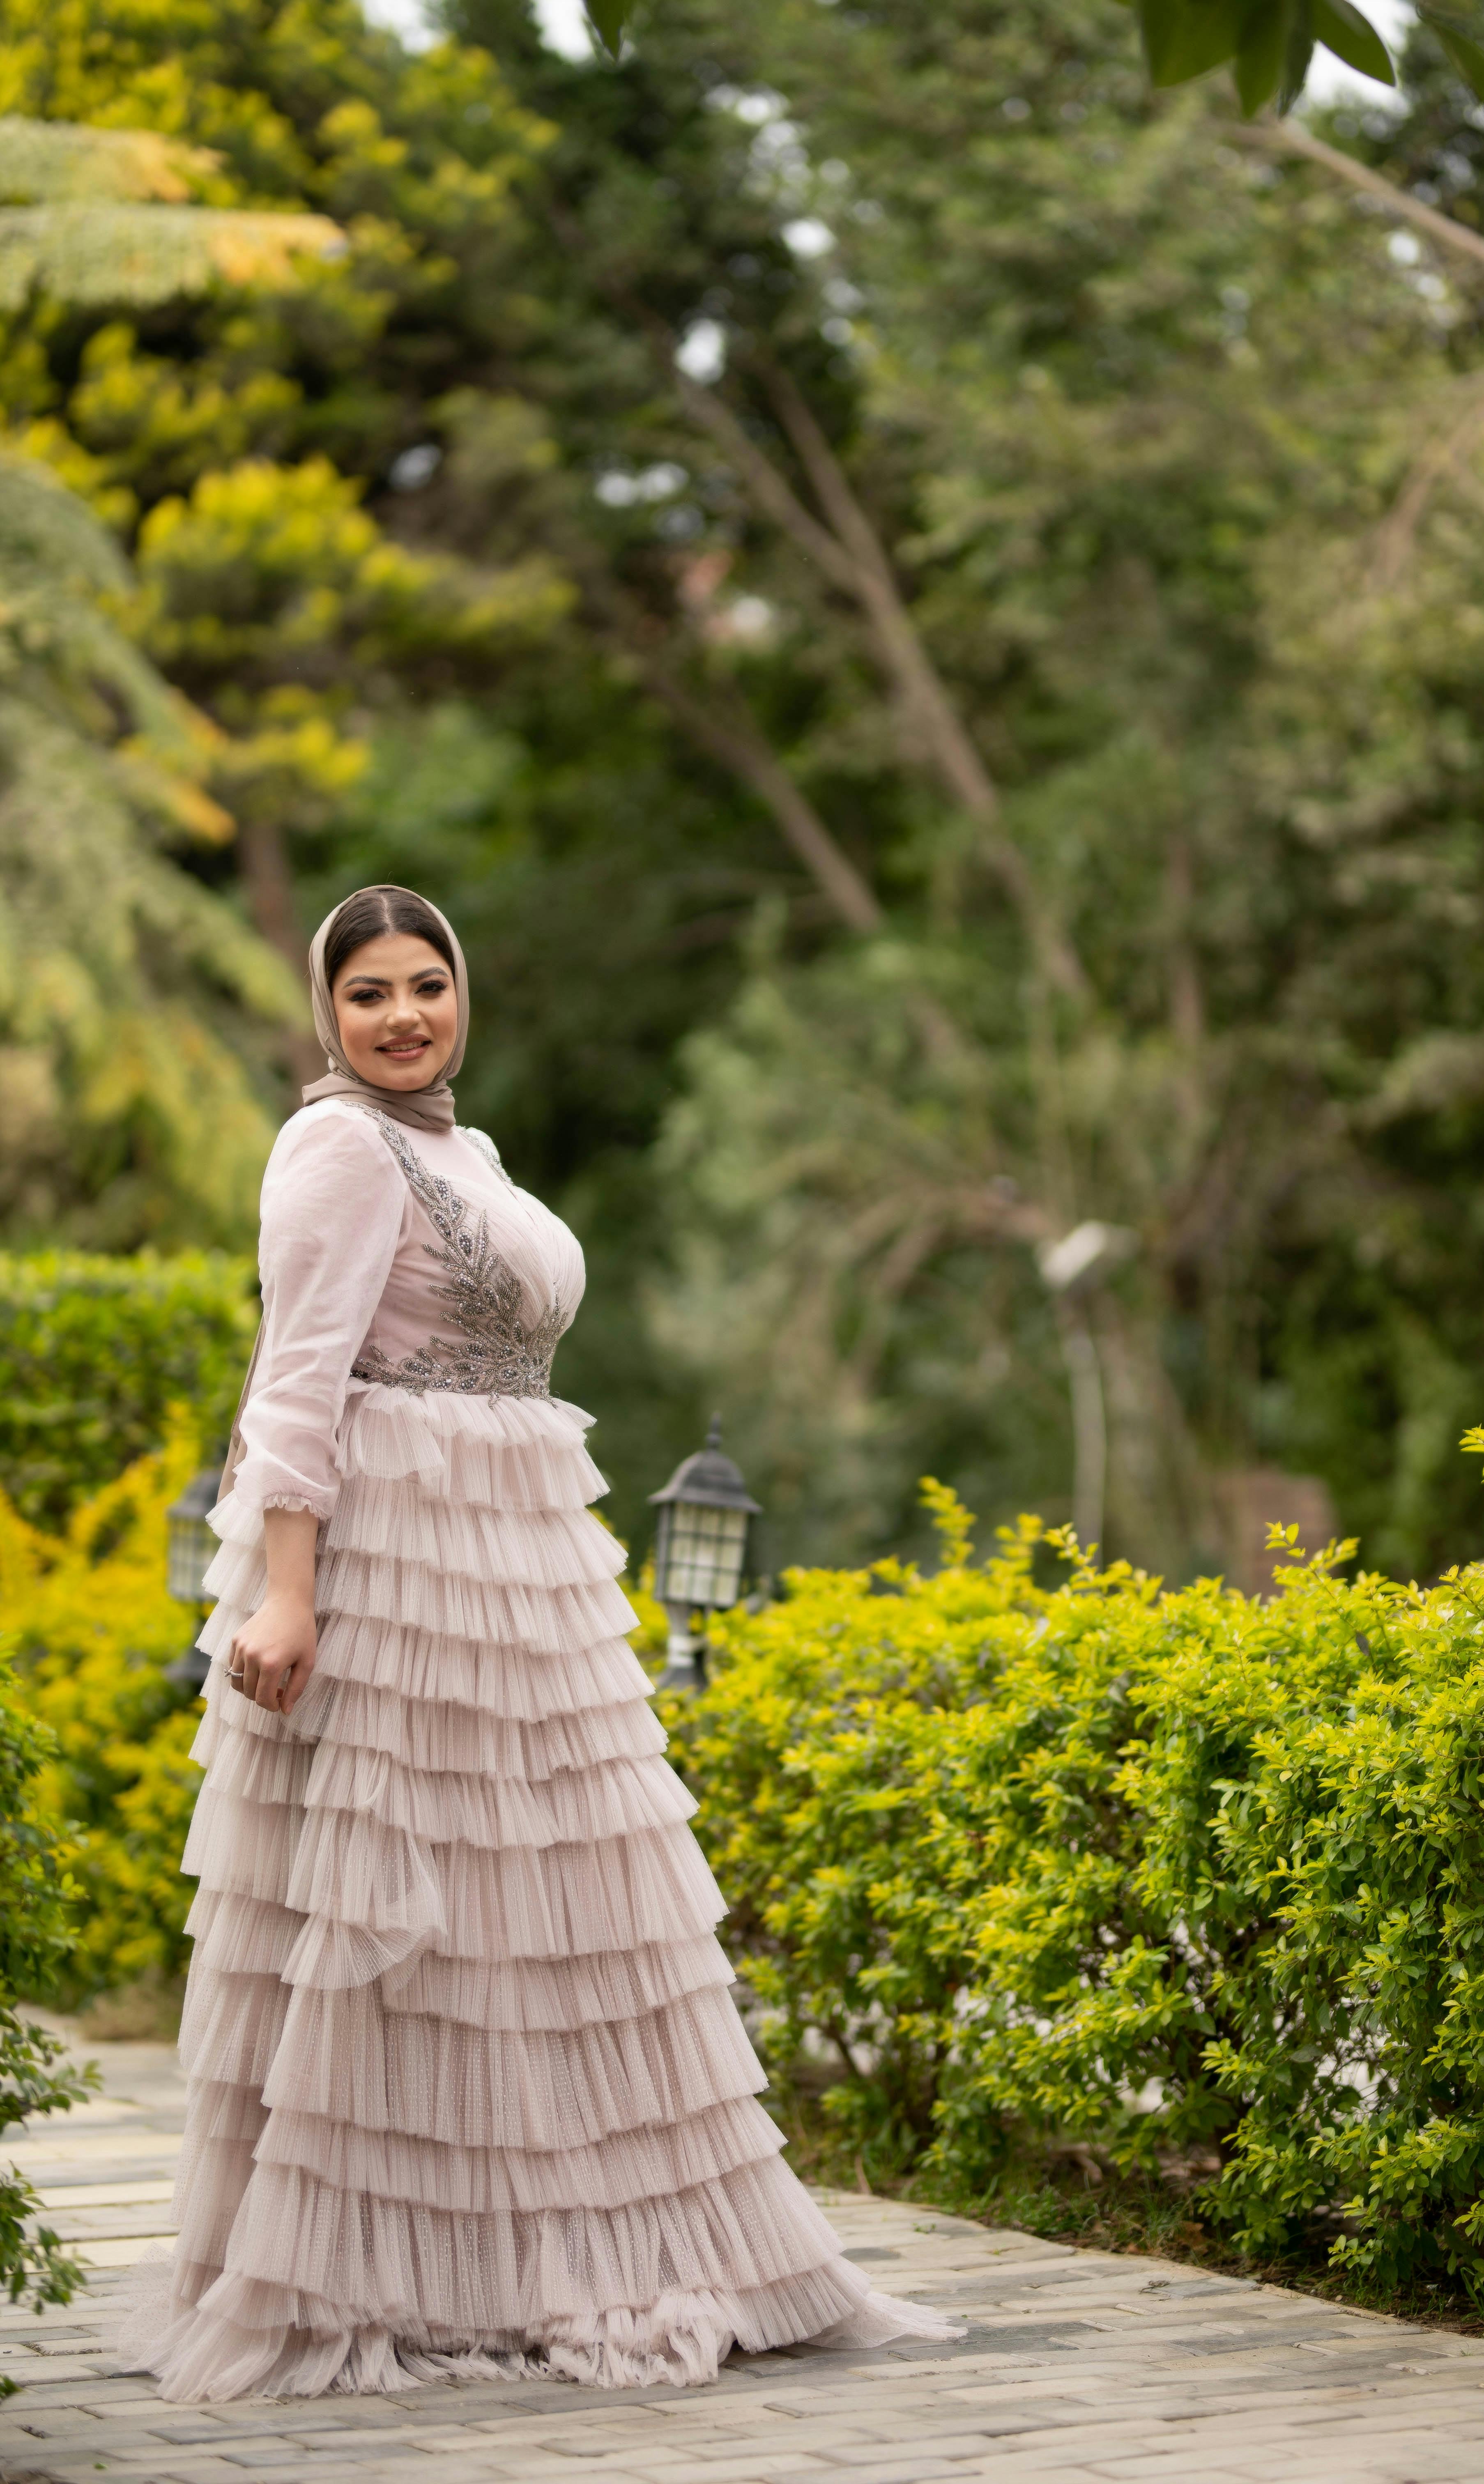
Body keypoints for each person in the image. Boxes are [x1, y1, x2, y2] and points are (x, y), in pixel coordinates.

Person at [120, 885, 958, 2401]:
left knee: (547, 1919)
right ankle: (375, 2270)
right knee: (417, 1921)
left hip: (515, 1560)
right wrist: (287, 1593)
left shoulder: (463, 1147)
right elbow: (297, 1378)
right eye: (367, 993)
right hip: (405, 1574)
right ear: (327, 1012)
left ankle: (541, 2243)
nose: (402, 1017)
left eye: (426, 985)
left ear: (463, 995)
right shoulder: (333, 1144)